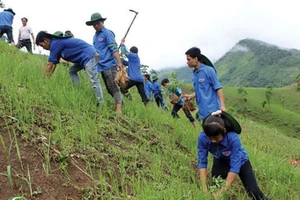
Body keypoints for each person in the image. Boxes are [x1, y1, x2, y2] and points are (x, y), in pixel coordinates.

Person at [198, 114, 268, 199]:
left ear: (224, 131)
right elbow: (202, 162)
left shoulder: (233, 139)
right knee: (215, 186)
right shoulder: (202, 138)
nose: (213, 141)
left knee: (253, 191)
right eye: (210, 138)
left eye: (217, 138)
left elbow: (235, 167)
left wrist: (222, 191)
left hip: (241, 162)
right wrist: (204, 188)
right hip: (220, 161)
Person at [35, 31, 104, 106]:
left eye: (42, 45)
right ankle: (77, 90)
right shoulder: (56, 45)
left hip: (90, 56)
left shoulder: (55, 43)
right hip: (83, 58)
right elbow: (53, 64)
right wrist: (48, 78)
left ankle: (101, 103)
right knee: (72, 71)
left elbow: (49, 64)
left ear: (46, 40)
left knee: (93, 80)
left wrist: (42, 81)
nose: (43, 48)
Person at [86, 12, 123, 113]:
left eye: (98, 23)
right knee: (108, 89)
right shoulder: (95, 37)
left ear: (102, 22)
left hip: (110, 64)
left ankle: (118, 110)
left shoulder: (107, 33)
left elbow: (113, 48)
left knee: (113, 86)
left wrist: (119, 62)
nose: (96, 26)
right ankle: (121, 103)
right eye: (94, 24)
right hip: (101, 66)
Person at [184, 47, 226, 120]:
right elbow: (202, 89)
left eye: (189, 59)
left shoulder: (209, 70)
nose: (187, 62)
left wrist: (222, 105)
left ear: (196, 59)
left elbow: (218, 88)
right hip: (202, 111)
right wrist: (191, 96)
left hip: (213, 110)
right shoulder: (194, 73)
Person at [120, 38, 148, 105]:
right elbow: (127, 63)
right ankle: (146, 105)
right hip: (140, 80)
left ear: (131, 51)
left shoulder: (134, 56)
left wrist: (122, 44)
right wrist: (120, 60)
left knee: (122, 88)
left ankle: (130, 100)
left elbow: (126, 52)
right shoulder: (134, 60)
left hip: (133, 78)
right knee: (142, 94)